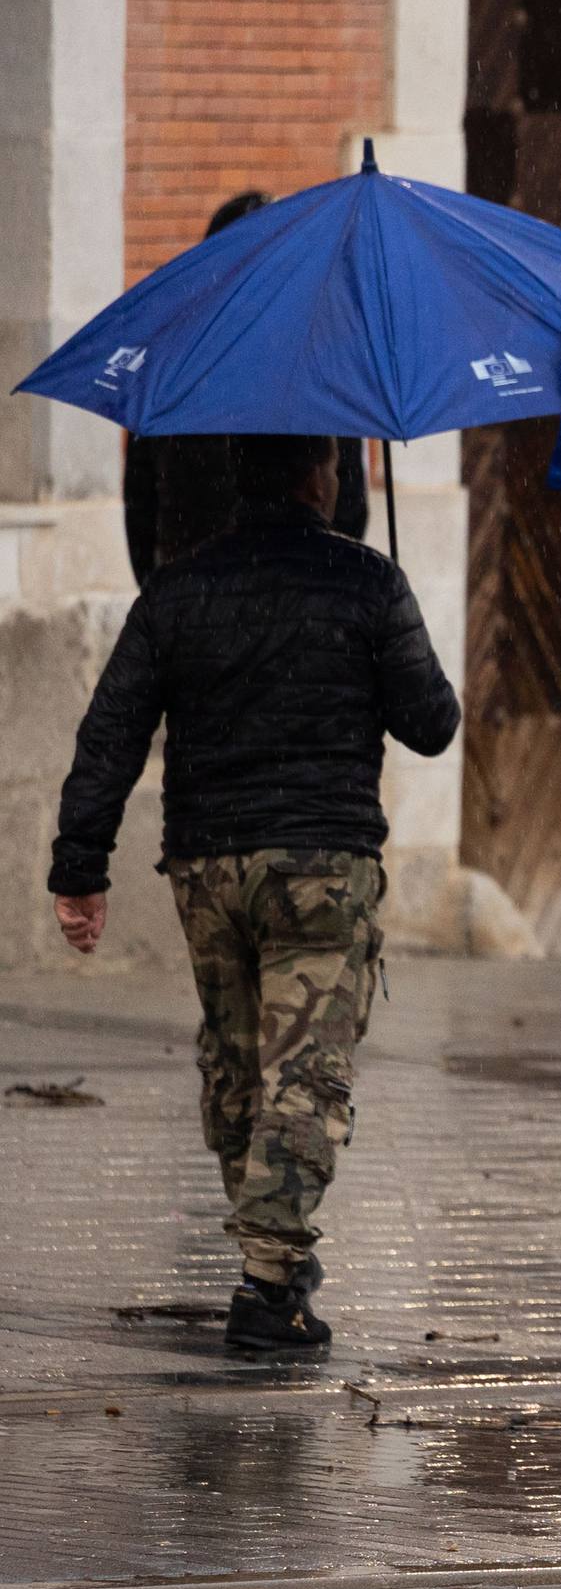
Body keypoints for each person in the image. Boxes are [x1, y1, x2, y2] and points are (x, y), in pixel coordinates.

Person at [50, 436, 462, 1357]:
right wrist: (392, 617)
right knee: (304, 1074)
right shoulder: (367, 584)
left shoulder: (178, 592)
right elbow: (431, 725)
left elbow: (109, 732)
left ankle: (268, 1251)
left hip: (208, 868)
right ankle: (270, 1288)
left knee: (238, 1063)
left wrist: (80, 868)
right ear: (326, 477)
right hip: (322, 866)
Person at [123, 193, 370, 581]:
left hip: (194, 596)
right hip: (299, 593)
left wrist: (164, 594)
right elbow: (351, 507)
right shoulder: (321, 364)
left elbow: (141, 504)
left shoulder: (171, 369)